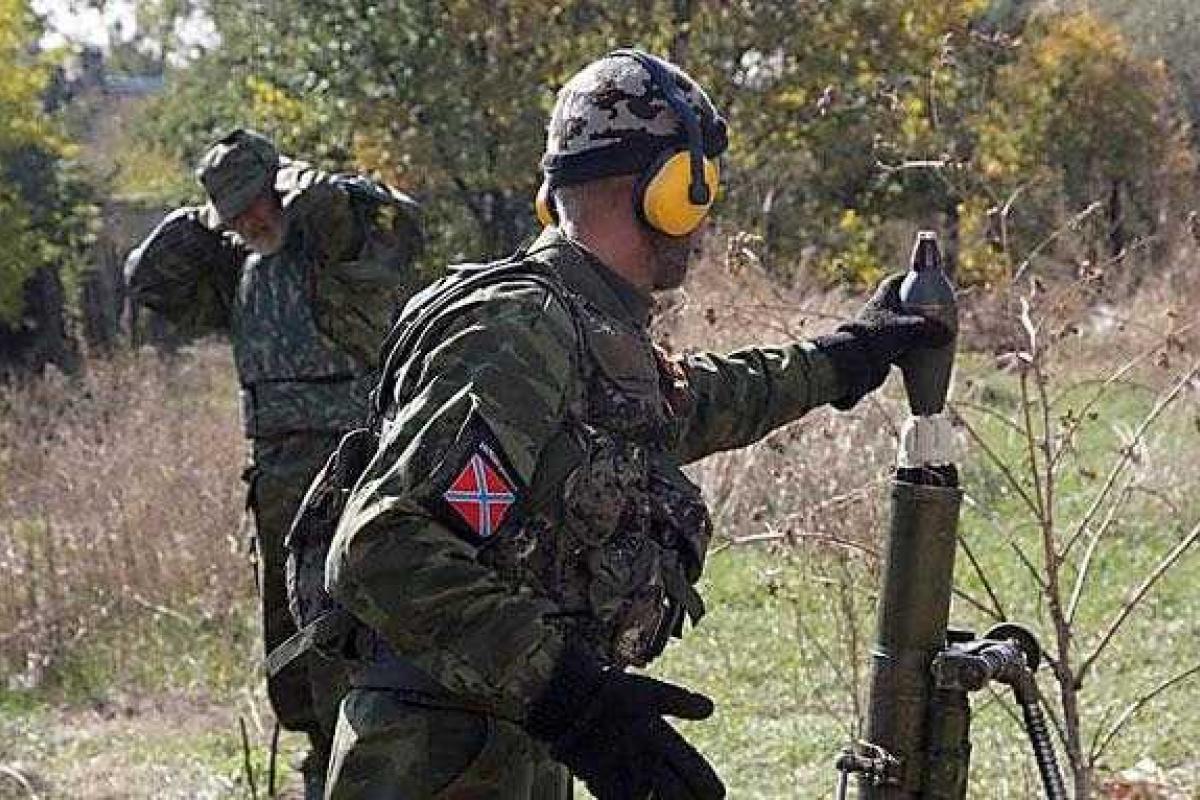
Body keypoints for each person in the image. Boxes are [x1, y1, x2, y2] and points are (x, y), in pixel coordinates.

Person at [322, 50, 949, 800]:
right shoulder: (520, 328)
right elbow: (380, 545)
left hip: (493, 745)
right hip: (435, 761)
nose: (706, 213)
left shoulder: (583, 330)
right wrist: (576, 702)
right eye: (704, 185)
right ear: (670, 189)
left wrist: (850, 357)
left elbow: (697, 402)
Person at [124, 129, 424, 799]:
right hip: (279, 478)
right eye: (235, 216)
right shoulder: (243, 269)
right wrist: (200, 221)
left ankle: (370, 761)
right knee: (292, 627)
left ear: (280, 188)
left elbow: (395, 223)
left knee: (353, 615)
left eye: (257, 205)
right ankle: (324, 757)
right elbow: (146, 282)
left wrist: (307, 189)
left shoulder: (332, 242)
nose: (252, 222)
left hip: (356, 465)